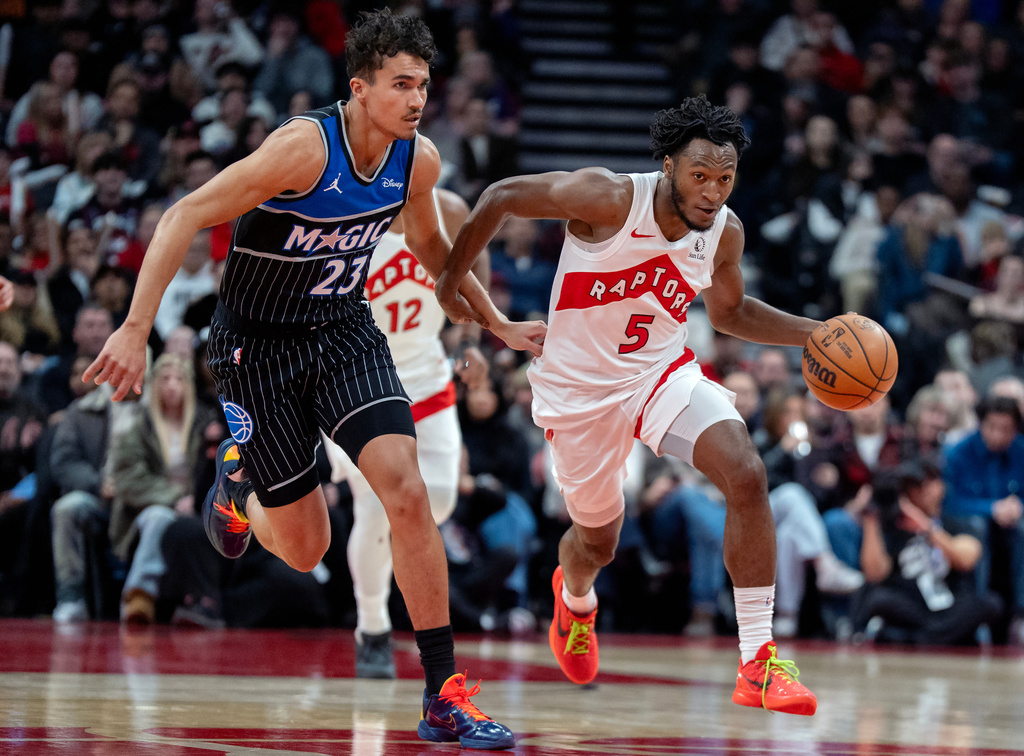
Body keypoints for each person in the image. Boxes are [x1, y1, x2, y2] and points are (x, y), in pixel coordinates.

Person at [84, 9, 544, 751]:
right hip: (254, 348)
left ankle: (442, 695)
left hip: (342, 332)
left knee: (408, 489)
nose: (416, 98)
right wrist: (135, 328)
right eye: (401, 85)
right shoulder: (303, 148)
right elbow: (182, 216)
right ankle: (239, 488)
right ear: (360, 88)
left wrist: (497, 324)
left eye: (423, 84)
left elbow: (435, 253)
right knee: (306, 548)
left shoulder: (415, 160)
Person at [437, 94, 821, 715]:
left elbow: (729, 314)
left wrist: (815, 332)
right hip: (578, 392)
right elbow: (503, 196)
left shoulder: (725, 233)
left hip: (659, 374)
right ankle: (576, 599)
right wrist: (452, 284)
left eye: (725, 179)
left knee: (746, 472)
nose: (712, 192)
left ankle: (758, 660)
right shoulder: (609, 198)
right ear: (667, 165)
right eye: (699, 176)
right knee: (597, 544)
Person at [321, 186, 485, 679]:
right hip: (355, 377)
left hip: (427, 373)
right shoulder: (345, 217)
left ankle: (388, 592)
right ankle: (372, 626)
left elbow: (477, 271)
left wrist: (471, 340)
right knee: (377, 506)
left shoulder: (450, 210)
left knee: (438, 498)